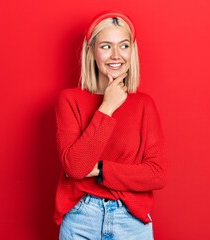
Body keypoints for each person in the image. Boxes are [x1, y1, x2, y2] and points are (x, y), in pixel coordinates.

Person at [54, 10, 167, 240]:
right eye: (106, 46)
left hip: (131, 221)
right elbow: (75, 168)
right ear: (92, 51)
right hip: (81, 218)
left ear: (132, 51)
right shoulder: (69, 100)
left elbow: (158, 174)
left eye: (123, 46)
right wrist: (107, 106)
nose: (116, 55)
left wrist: (100, 170)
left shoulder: (144, 104)